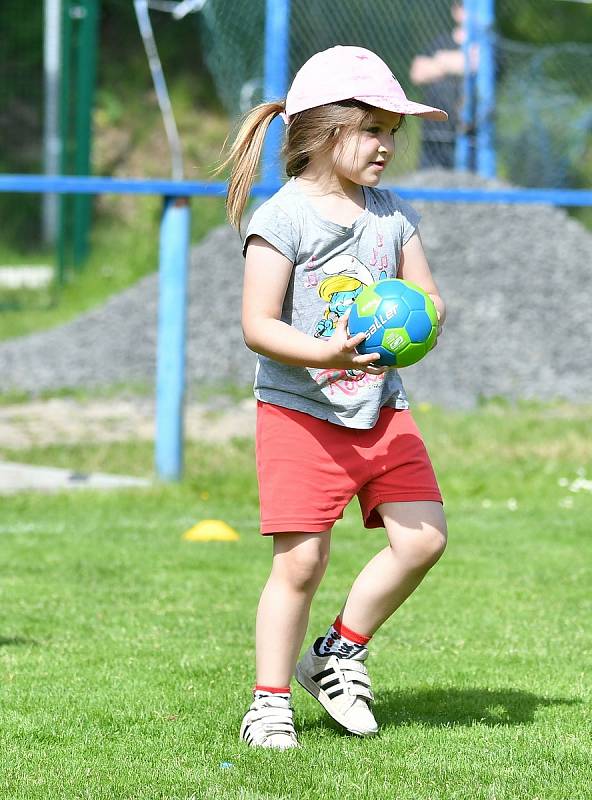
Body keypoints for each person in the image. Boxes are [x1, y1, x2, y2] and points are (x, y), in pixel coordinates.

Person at [219, 45, 449, 749]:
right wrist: (323, 350)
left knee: (424, 540)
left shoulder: (390, 216)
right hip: (301, 415)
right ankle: (268, 703)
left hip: (381, 408)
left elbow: (429, 297)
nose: (386, 146)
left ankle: (338, 651)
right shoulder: (284, 218)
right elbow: (257, 325)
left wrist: (425, 323)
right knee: (301, 563)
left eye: (391, 132)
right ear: (325, 131)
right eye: (373, 129)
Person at [410, 2, 476, 169]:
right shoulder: (440, 42)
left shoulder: (487, 43)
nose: (465, 11)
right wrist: (458, 62)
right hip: (435, 134)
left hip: (472, 135)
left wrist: (440, 61)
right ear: (455, 10)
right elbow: (418, 73)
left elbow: (479, 63)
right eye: (461, 5)